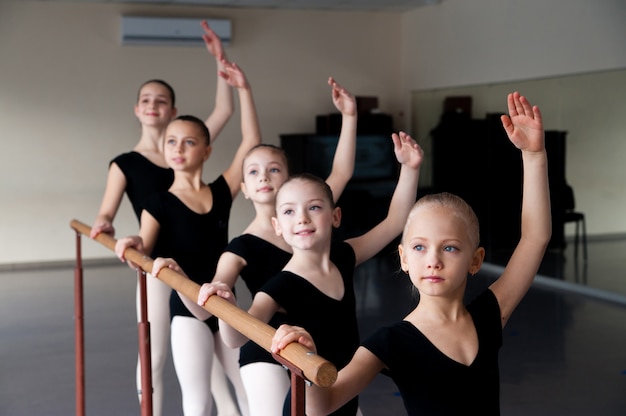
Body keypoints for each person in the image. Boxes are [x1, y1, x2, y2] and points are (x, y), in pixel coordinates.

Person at [271, 91, 551, 416]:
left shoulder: (489, 315)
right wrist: (306, 363)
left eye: (450, 247)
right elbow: (325, 405)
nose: (433, 259)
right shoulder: (392, 341)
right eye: (419, 247)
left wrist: (534, 157)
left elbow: (535, 238)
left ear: (475, 260)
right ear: (404, 258)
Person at [154, 77, 357, 416]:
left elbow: (342, 171)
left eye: (274, 170)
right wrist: (198, 286)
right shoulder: (241, 247)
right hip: (274, 345)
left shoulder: (309, 210)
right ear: (244, 188)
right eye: (254, 173)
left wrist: (349, 117)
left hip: (321, 342)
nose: (264, 178)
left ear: (288, 177)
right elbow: (211, 306)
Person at [198, 131, 423, 415]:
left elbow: (394, 223)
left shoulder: (343, 255)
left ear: (335, 216)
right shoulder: (281, 285)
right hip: (311, 393)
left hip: (339, 385)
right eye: (290, 212)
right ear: (278, 226)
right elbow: (235, 339)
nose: (302, 218)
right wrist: (226, 307)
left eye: (314, 208)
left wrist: (410, 168)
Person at [89, 21, 239, 416]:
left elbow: (224, 109)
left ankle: (228, 410)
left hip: (199, 265)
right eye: (146, 100)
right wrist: (104, 225)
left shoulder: (185, 148)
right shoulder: (125, 164)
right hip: (158, 267)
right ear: (137, 109)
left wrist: (219, 59)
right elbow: (106, 211)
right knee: (153, 349)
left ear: (173, 111)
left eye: (162, 100)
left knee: (208, 355)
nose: (153, 105)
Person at [113, 60, 260, 415]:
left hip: (225, 303)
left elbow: (251, 141)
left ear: (206, 151)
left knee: (246, 390)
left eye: (189, 142)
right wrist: (133, 244)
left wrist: (245, 90)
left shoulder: (222, 191)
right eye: (172, 142)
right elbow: (145, 247)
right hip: (186, 309)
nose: (178, 149)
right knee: (197, 400)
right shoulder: (157, 202)